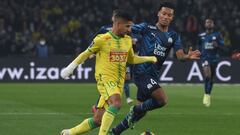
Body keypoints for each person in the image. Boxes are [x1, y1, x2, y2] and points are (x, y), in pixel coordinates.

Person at [60, 9, 157, 135]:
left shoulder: (127, 40)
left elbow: (132, 59)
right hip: (105, 79)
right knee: (116, 103)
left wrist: (149, 58)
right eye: (127, 26)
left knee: (97, 120)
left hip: (118, 83)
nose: (130, 29)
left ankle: (69, 133)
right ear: (117, 24)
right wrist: (70, 68)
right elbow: (85, 54)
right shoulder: (102, 39)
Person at [109, 2, 201, 134]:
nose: (166, 17)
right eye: (163, 14)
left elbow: (180, 56)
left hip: (153, 75)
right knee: (161, 99)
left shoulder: (173, 36)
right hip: (141, 72)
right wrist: (113, 26)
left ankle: (115, 132)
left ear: (172, 18)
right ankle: (135, 110)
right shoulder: (147, 28)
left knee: (141, 112)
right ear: (158, 13)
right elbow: (128, 28)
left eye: (169, 15)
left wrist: (187, 56)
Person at [198, 19, 224, 107]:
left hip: (214, 59)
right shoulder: (201, 36)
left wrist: (218, 45)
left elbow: (223, 47)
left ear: (213, 24)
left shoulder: (217, 35)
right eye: (207, 22)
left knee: (212, 79)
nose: (208, 24)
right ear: (205, 24)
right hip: (205, 58)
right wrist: (198, 54)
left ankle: (208, 94)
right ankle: (206, 94)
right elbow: (199, 47)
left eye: (210, 22)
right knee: (207, 76)